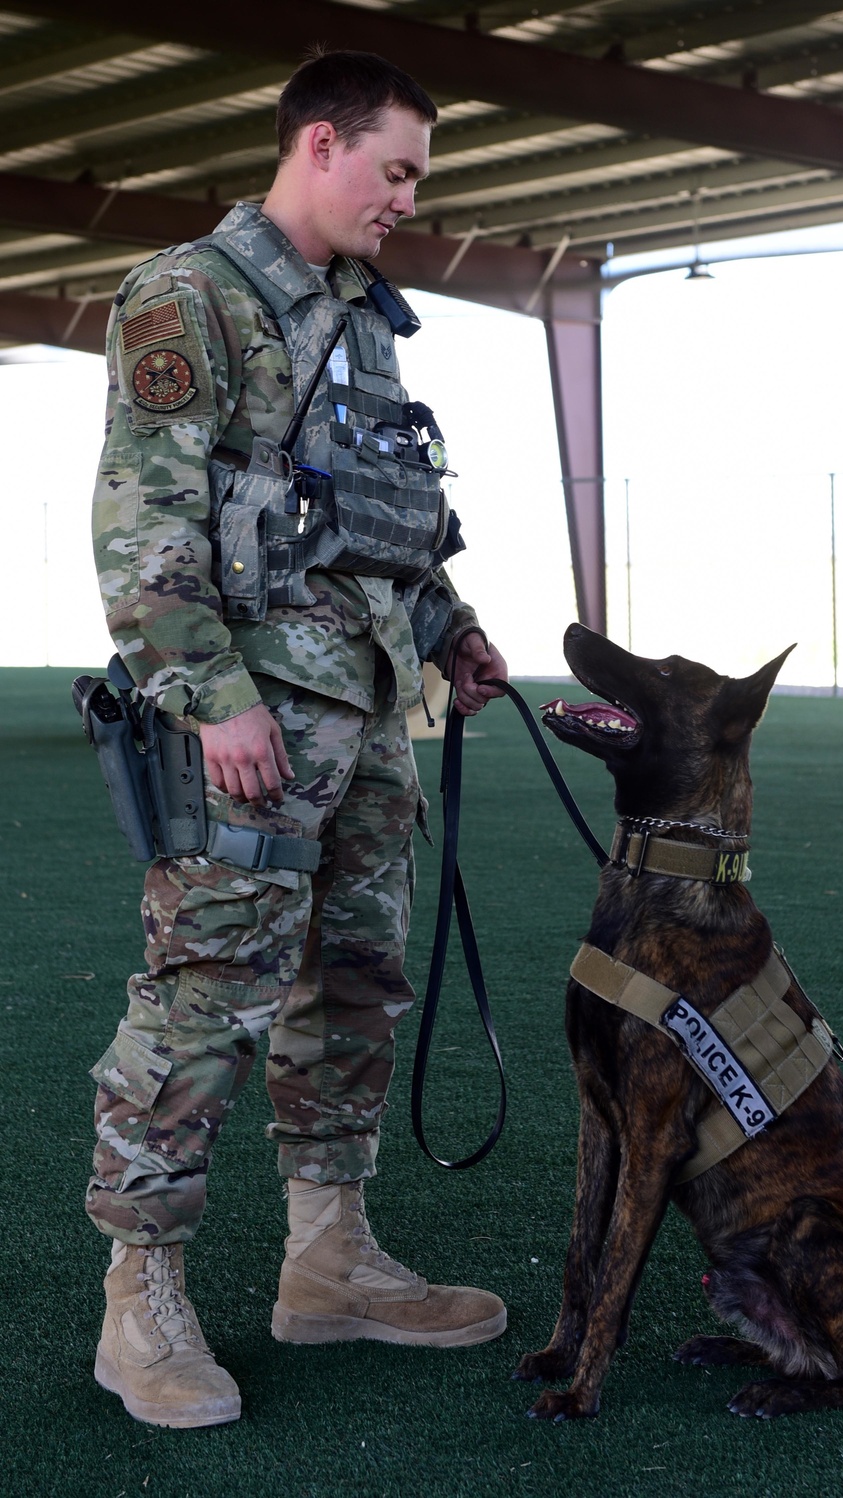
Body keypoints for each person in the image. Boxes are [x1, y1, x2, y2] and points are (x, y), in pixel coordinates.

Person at [87, 47, 509, 1430]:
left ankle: (329, 1259)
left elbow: (379, 522)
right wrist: (214, 699)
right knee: (207, 993)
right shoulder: (189, 297)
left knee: (352, 986)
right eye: (395, 170)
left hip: (372, 719)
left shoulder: (365, 323)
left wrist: (451, 625)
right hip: (251, 731)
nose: (407, 201)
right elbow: (143, 532)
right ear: (319, 144)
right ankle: (138, 1297)